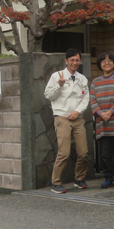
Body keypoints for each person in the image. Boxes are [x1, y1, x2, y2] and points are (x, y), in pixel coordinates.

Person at [44, 48, 90, 194]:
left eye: (77, 60)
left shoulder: (82, 79)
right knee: (64, 152)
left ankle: (79, 179)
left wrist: (78, 111)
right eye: (72, 60)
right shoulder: (57, 76)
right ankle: (55, 183)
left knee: (83, 152)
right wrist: (60, 85)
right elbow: (48, 95)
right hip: (62, 118)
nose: (75, 63)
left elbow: (85, 98)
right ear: (66, 61)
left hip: (78, 118)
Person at [90, 52, 114, 188]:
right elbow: (92, 100)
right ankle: (108, 178)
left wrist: (110, 112)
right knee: (105, 154)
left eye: (110, 60)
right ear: (100, 64)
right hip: (103, 123)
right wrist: (101, 114)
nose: (107, 63)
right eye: (103, 61)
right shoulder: (95, 82)